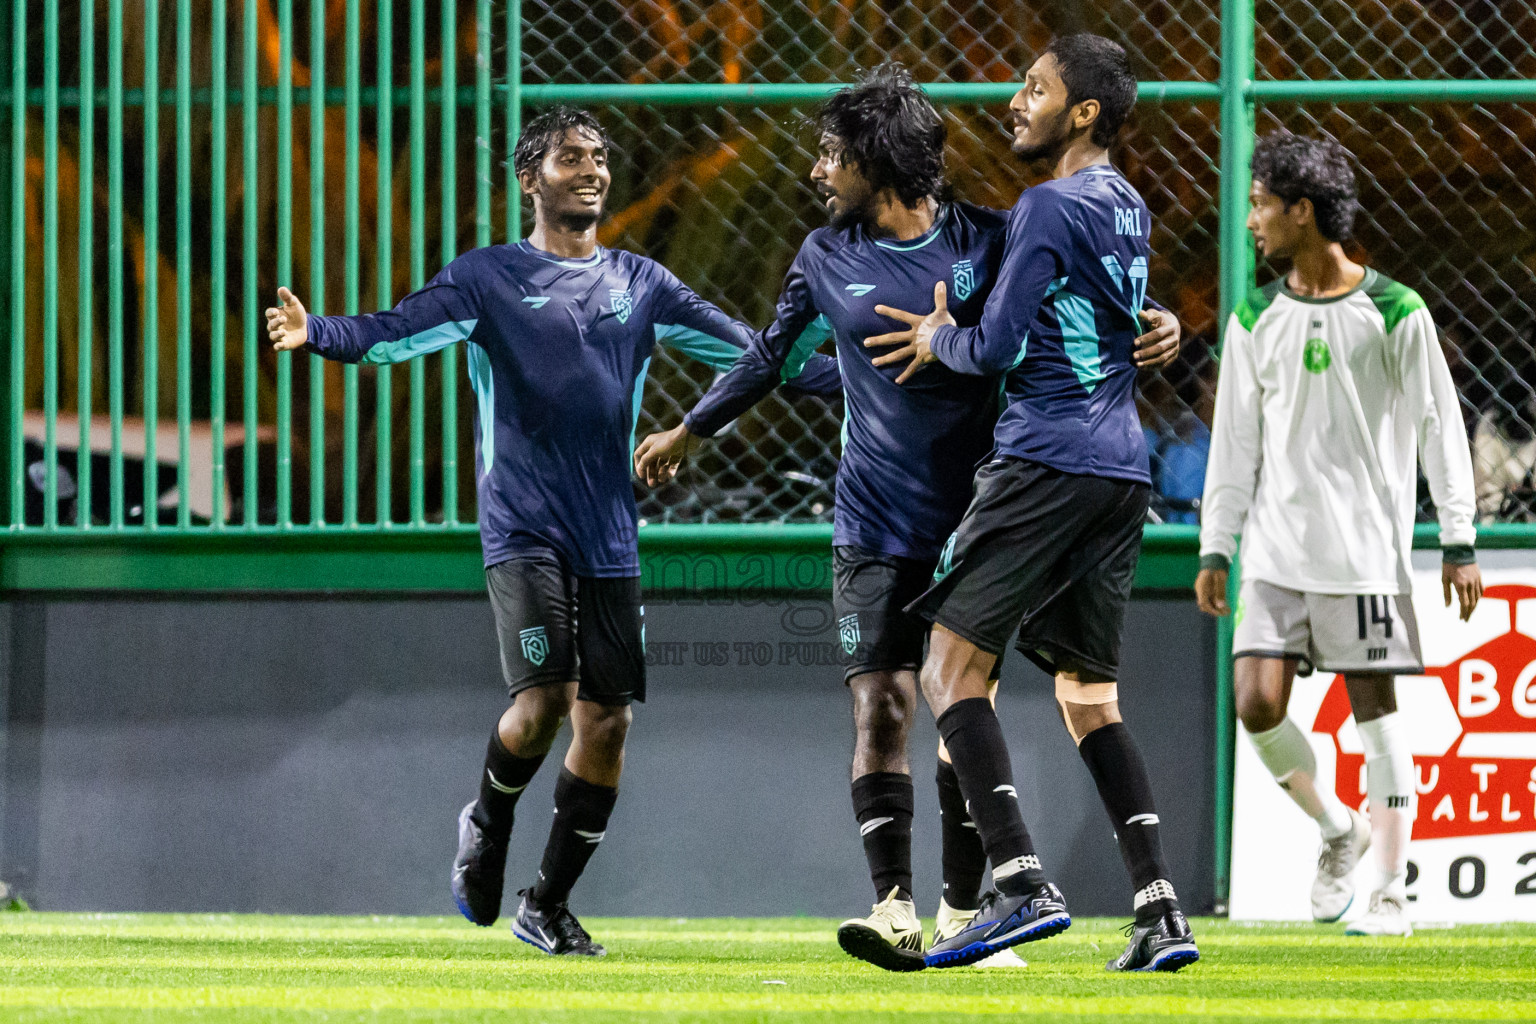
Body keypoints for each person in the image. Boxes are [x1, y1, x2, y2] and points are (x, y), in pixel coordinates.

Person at [634, 64, 1181, 971]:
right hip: (870, 517)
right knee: (882, 702)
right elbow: (774, 357)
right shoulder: (822, 256)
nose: (817, 172)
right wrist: (690, 427)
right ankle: (893, 906)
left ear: (877, 163)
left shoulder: (989, 236)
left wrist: (1154, 317)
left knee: (961, 697)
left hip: (978, 510)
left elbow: (1085, 282)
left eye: (831, 155)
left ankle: (969, 908)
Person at [265, 107, 836, 956]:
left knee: (607, 723)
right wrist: (321, 335)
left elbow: (756, 356)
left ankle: (549, 902)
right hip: (523, 526)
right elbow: (393, 332)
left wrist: (859, 377)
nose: (593, 170)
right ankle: (488, 818)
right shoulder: (487, 278)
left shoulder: (643, 285)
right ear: (532, 179)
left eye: (600, 158)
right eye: (571, 158)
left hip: (608, 532)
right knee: (543, 704)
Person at [867, 33, 1198, 972]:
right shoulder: (1126, 203)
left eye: (1034, 87)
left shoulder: (1047, 205)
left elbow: (1003, 345)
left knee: (948, 671)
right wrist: (1162, 322)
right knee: (1089, 695)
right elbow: (1114, 317)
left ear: (1081, 111)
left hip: (1047, 457)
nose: (1016, 100)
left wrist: (942, 337)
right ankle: (1159, 908)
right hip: (1121, 469)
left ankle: (1017, 883)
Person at [1195, 131, 1482, 937]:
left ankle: (1391, 891)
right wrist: (1218, 544)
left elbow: (1439, 427)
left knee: (1377, 717)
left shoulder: (1396, 311)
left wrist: (1458, 542)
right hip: (1277, 554)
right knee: (1255, 703)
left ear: (1303, 211)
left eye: (1260, 206)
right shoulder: (1255, 317)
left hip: (1364, 557)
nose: (1251, 220)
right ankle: (1336, 831)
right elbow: (1235, 443)